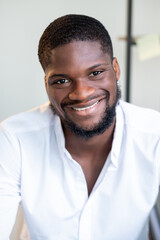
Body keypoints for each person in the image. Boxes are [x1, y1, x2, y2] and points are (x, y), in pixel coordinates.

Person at [0, 14, 160, 240]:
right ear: (46, 84)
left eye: (95, 73)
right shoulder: (14, 138)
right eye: (62, 81)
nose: (82, 93)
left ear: (116, 69)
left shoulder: (154, 135)